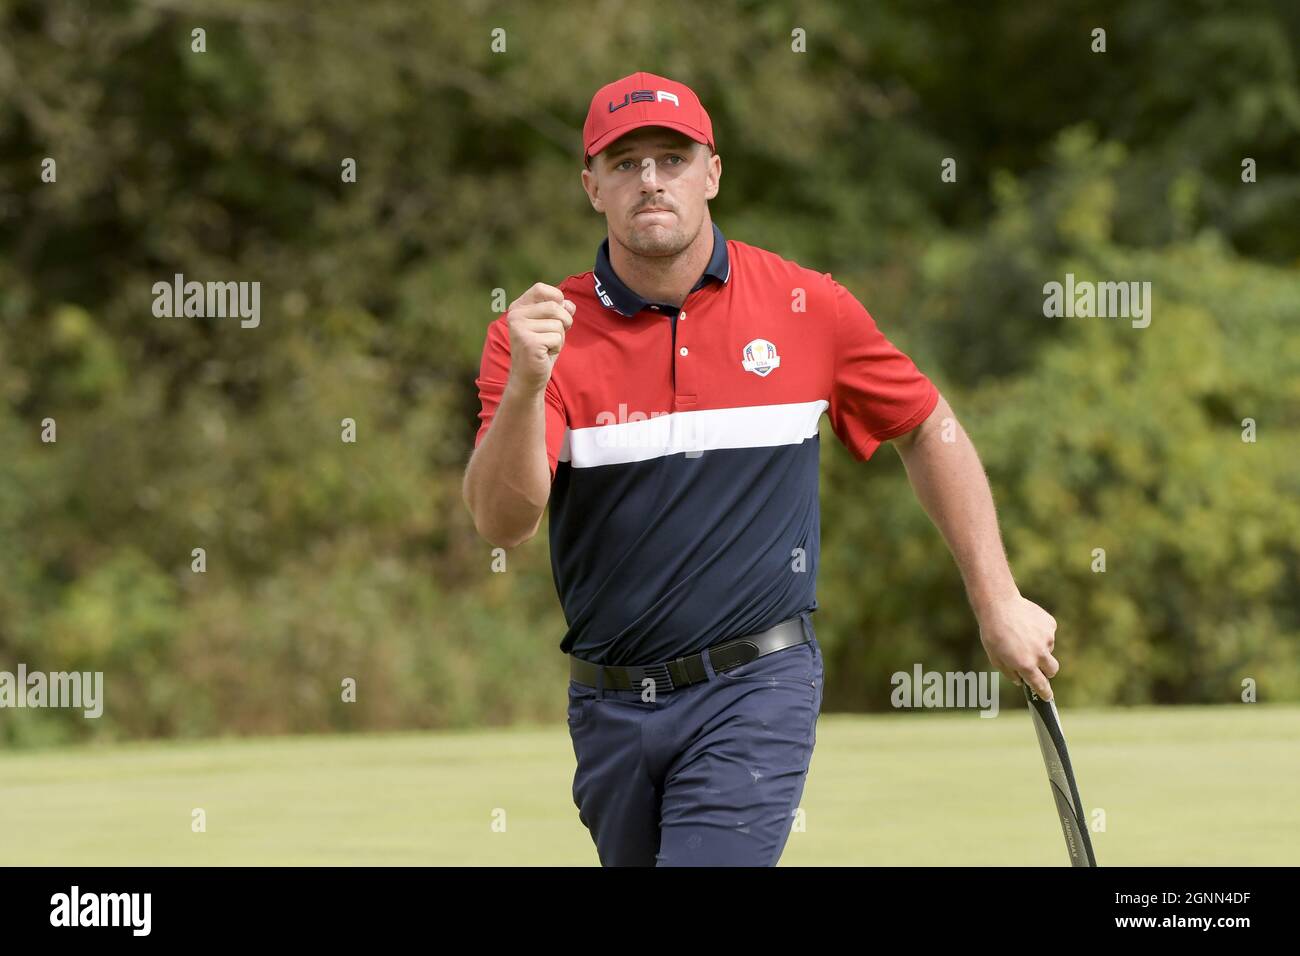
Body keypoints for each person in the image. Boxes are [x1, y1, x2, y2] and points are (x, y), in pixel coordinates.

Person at [462, 71, 1059, 866]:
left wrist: (998, 600)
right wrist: (532, 383)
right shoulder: (536, 337)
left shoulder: (807, 306)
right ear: (591, 187)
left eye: (672, 159)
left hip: (756, 685)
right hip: (607, 705)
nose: (650, 181)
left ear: (711, 173)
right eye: (625, 162)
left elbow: (927, 426)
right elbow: (503, 522)